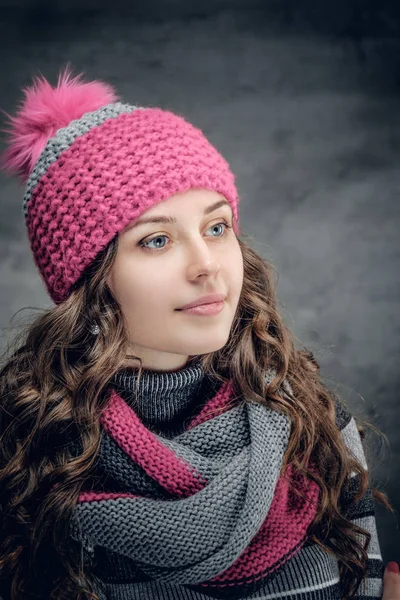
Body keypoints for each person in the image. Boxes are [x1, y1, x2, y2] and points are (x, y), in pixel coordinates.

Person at [0, 66, 396, 600]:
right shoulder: (28, 455)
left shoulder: (314, 427)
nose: (206, 264)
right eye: (156, 240)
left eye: (216, 227)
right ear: (88, 280)